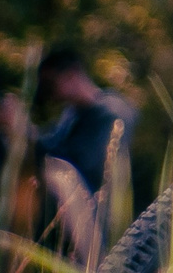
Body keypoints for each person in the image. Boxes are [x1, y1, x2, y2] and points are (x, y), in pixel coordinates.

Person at [33, 47, 134, 201]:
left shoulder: (111, 113)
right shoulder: (72, 113)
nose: (50, 94)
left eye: (51, 84)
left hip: (102, 213)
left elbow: (85, 166)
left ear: (71, 75)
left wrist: (25, 132)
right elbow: (52, 143)